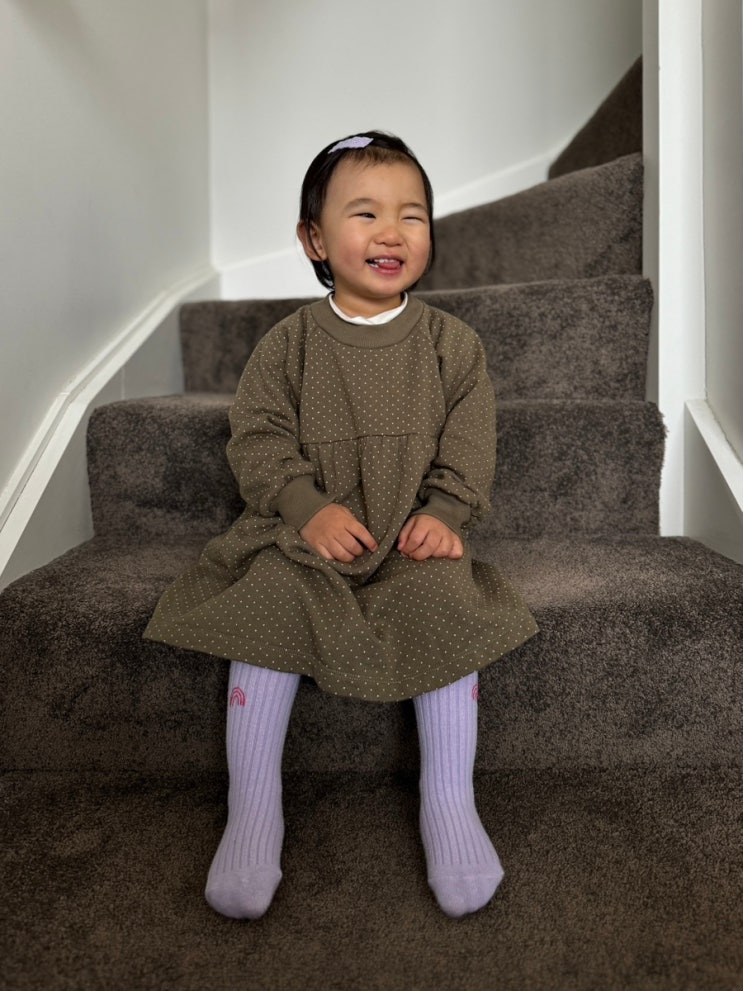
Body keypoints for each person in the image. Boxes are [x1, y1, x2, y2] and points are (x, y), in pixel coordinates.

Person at [144, 130, 538, 920]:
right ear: (314, 240)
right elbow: (257, 437)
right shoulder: (287, 346)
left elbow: (469, 442)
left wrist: (444, 512)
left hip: (408, 535)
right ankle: (253, 807)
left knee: (444, 601)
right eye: (365, 214)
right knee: (267, 599)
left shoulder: (451, 347)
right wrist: (306, 508)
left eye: (411, 215)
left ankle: (448, 799)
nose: (391, 232)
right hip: (308, 538)